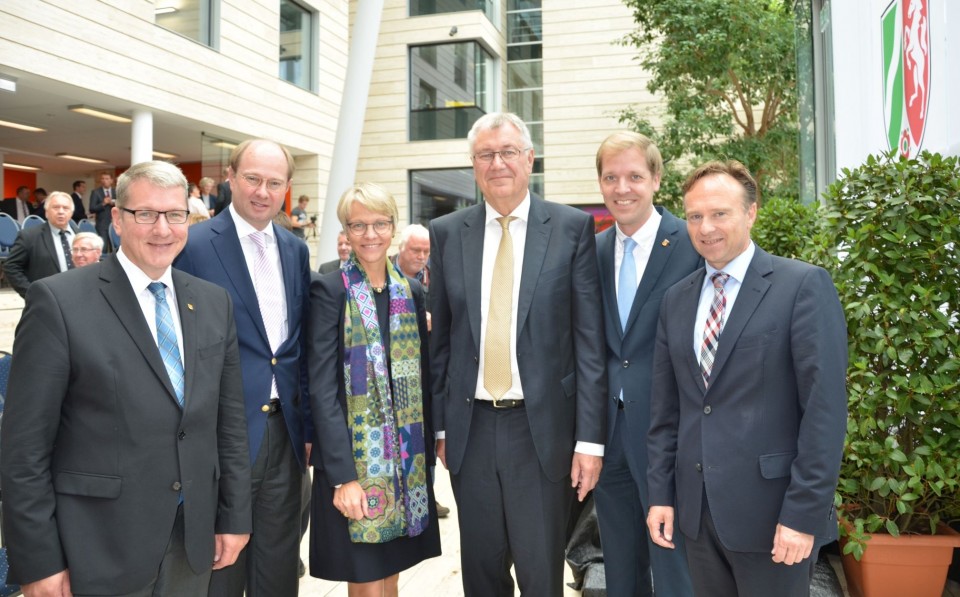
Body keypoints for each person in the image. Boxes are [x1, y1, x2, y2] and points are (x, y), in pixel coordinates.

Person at [0, 160, 251, 596]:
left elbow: (227, 424)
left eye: (175, 214)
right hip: (96, 548)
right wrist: (38, 560)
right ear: (116, 219)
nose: (163, 228)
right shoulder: (58, 302)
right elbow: (24, 448)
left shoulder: (213, 303)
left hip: (190, 541)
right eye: (146, 214)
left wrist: (233, 516)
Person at [646, 161, 847, 597]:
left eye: (720, 213)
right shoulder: (676, 301)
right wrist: (661, 495)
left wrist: (802, 515)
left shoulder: (802, 286)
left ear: (751, 212)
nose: (705, 227)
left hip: (774, 519)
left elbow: (824, 414)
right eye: (695, 216)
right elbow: (666, 412)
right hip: (697, 518)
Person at [429, 112, 607, 596]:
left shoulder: (571, 228)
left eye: (508, 152)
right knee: (482, 574)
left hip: (543, 431)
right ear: (473, 166)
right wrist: (441, 427)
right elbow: (441, 340)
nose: (498, 163)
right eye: (486, 155)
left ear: (529, 159)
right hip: (472, 431)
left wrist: (590, 441)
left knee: (540, 573)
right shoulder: (447, 233)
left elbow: (589, 343)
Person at [175, 139, 313, 597]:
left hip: (285, 437)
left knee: (278, 570)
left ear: (287, 189)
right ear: (231, 177)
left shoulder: (295, 250)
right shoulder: (192, 245)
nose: (262, 191)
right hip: (221, 436)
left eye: (274, 183)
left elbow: (295, 347)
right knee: (220, 570)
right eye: (252, 178)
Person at [308, 182, 441, 595]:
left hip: (406, 464)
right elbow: (322, 389)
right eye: (358, 225)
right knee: (365, 578)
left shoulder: (412, 292)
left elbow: (424, 376)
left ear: (393, 228)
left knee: (392, 574)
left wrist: (429, 455)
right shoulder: (329, 290)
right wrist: (342, 476)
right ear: (345, 232)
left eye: (379, 223)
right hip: (355, 462)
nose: (370, 234)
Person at [593, 131, 700, 597]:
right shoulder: (591, 251)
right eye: (611, 177)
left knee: (675, 565)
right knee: (619, 565)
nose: (623, 188)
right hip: (606, 434)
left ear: (656, 179)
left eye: (635, 176)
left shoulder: (691, 243)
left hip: (668, 434)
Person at [4, 191, 79, 298]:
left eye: (65, 208)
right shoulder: (29, 236)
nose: (61, 211)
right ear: (46, 212)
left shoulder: (81, 235)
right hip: (47, 300)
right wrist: (31, 293)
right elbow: (11, 266)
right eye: (56, 207)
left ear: (71, 213)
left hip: (78, 296)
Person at [89, 171, 116, 251]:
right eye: (102, 179)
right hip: (102, 225)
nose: (104, 181)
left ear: (111, 180)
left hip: (115, 224)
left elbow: (124, 205)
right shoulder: (96, 192)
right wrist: (103, 203)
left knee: (115, 249)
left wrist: (114, 202)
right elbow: (92, 208)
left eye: (107, 179)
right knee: (102, 248)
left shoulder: (117, 192)